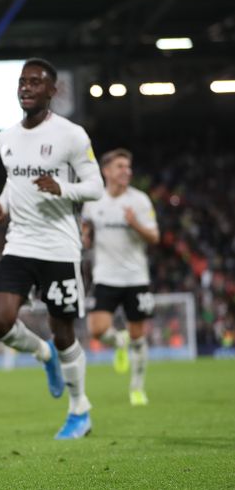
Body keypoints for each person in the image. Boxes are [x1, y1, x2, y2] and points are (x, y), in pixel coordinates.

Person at [0, 58, 103, 440]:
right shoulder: (6, 137)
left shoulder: (71, 135)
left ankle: (79, 409)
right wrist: (2, 203)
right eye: (23, 81)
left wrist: (62, 189)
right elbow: (13, 180)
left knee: (65, 332)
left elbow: (95, 187)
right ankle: (43, 353)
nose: (27, 87)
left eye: (36, 82)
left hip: (59, 247)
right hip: (19, 243)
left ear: (53, 91)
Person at [82, 148, 159, 406]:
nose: (126, 171)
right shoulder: (93, 202)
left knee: (139, 336)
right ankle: (118, 340)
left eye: (128, 167)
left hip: (136, 277)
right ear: (106, 171)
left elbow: (154, 237)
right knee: (96, 330)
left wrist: (134, 222)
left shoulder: (139, 201)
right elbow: (86, 235)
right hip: (104, 276)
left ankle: (137, 388)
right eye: (120, 166)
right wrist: (85, 236)